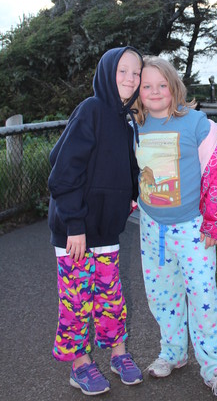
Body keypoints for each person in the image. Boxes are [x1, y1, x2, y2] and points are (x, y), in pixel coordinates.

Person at [133, 56, 217, 400]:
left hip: (194, 230)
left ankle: (216, 369)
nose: (154, 91)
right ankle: (173, 353)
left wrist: (215, 222)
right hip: (152, 230)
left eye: (161, 85)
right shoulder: (135, 126)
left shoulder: (196, 124)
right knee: (162, 296)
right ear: (138, 91)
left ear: (174, 87)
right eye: (146, 86)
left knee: (203, 298)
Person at [48, 46, 144, 396]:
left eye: (136, 73)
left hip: (105, 232)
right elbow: (62, 172)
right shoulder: (91, 111)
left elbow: (126, 165)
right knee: (77, 302)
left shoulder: (126, 119)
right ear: (106, 72)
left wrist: (130, 193)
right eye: (123, 71)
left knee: (111, 298)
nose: (130, 79)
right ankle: (80, 364)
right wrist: (74, 224)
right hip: (75, 233)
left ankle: (118, 353)